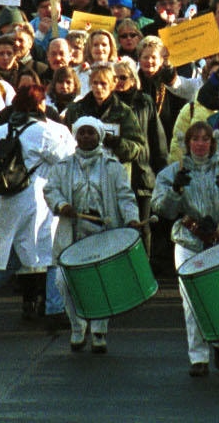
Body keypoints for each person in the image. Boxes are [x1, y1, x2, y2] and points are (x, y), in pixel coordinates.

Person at [0, 82, 77, 327]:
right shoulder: (43, 132)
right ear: (39, 104)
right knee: (51, 255)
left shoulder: (3, 130)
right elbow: (67, 158)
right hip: (36, 202)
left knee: (8, 260)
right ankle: (55, 309)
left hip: (7, 203)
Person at [152, 121, 219, 376]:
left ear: (213, 143)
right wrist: (175, 191)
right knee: (191, 300)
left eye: (205, 139)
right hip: (188, 239)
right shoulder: (170, 173)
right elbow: (160, 208)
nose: (200, 144)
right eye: (195, 139)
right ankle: (198, 357)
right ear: (187, 143)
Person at [44, 115, 142, 352]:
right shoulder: (63, 166)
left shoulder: (113, 166)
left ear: (99, 135)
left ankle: (99, 332)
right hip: (73, 233)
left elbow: (125, 196)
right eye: (82, 132)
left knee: (102, 282)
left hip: (103, 232)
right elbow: (50, 189)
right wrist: (61, 205)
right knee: (63, 281)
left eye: (91, 132)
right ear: (76, 135)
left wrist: (131, 218)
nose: (86, 137)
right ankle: (77, 328)